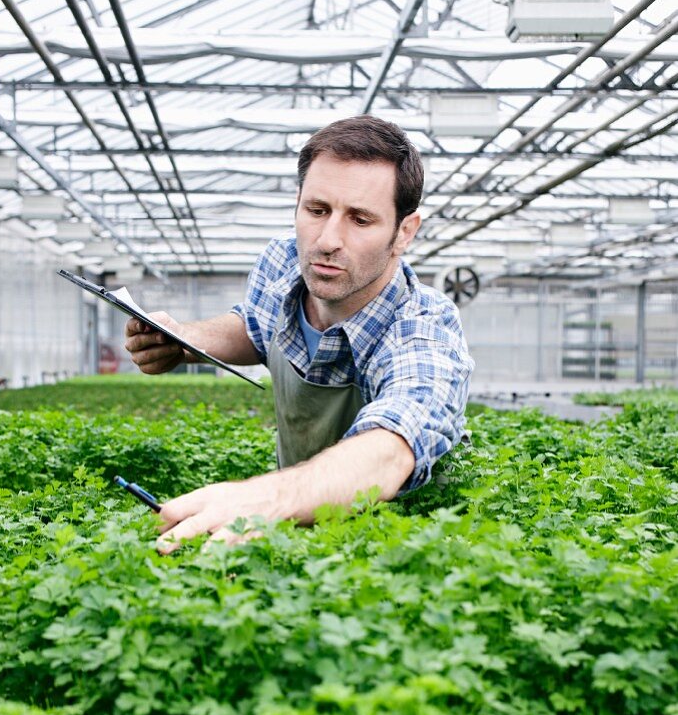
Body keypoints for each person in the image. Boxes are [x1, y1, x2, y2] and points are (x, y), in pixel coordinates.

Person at [124, 115, 474, 553]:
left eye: (360, 220)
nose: (327, 240)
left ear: (404, 231)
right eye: (317, 210)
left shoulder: (423, 327)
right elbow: (255, 326)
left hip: (396, 545)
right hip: (286, 529)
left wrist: (267, 496)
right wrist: (185, 341)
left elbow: (393, 446)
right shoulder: (283, 260)